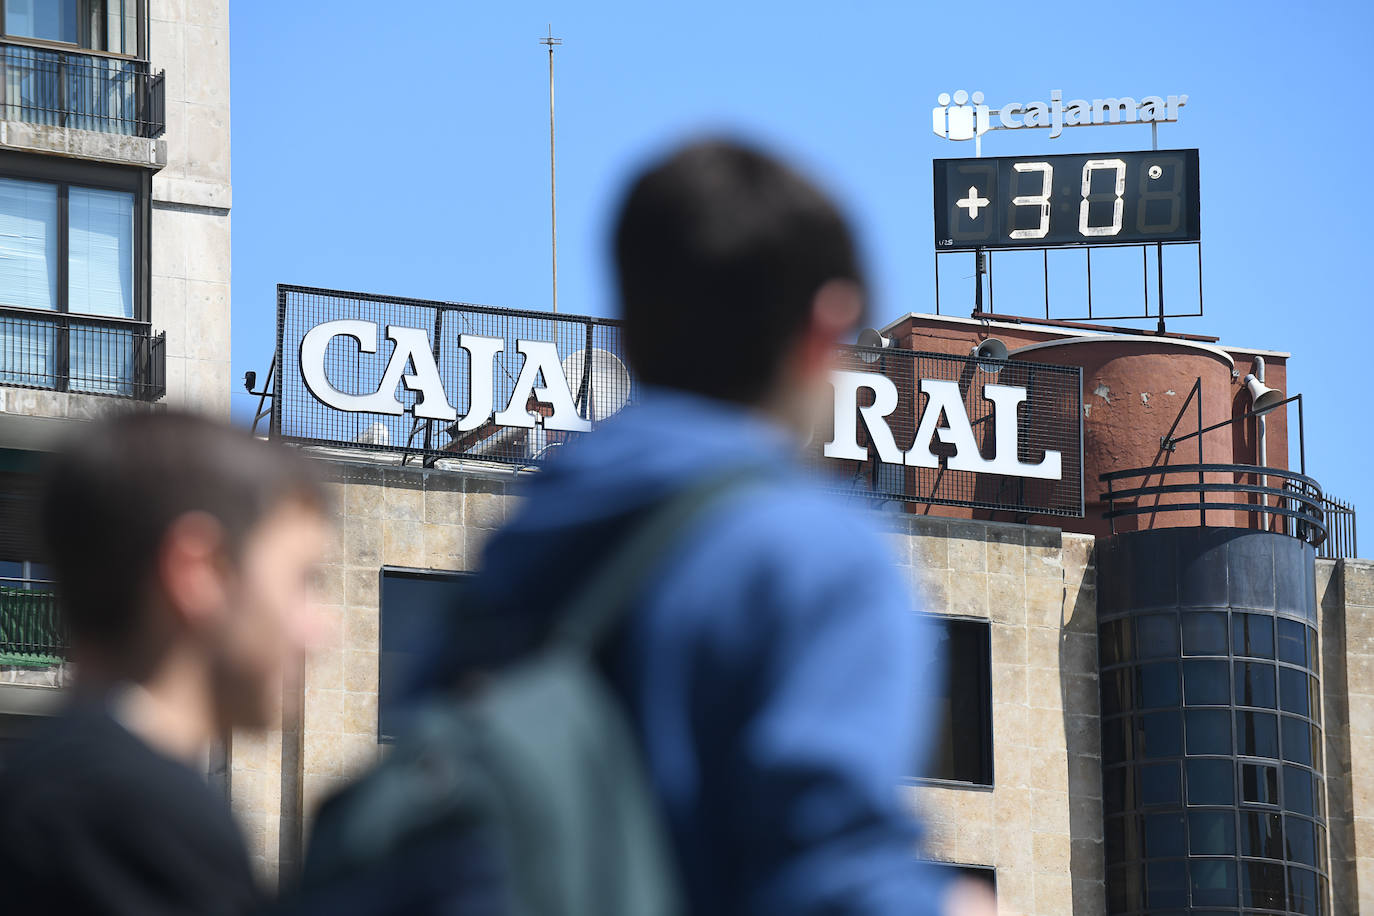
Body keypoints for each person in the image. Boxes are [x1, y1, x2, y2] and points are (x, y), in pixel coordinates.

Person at [466, 140, 993, 915]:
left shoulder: (526, 542)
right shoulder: (814, 554)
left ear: (630, 329)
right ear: (827, 324)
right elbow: (835, 876)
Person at [0, 411, 331, 915]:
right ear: (198, 572)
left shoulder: (49, 787)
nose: (323, 630)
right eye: (303, 581)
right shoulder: (140, 820)